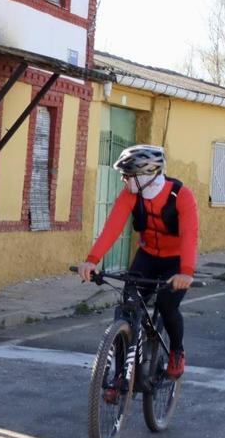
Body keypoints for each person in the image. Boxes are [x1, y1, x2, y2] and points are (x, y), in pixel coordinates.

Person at [78, 144, 199, 379]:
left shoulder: (181, 196)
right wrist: (92, 260)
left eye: (128, 175)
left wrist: (186, 271)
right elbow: (112, 228)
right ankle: (120, 376)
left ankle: (176, 351)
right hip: (148, 257)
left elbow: (189, 236)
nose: (124, 180)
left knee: (167, 305)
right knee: (127, 309)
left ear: (146, 175)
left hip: (175, 262)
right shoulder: (131, 195)